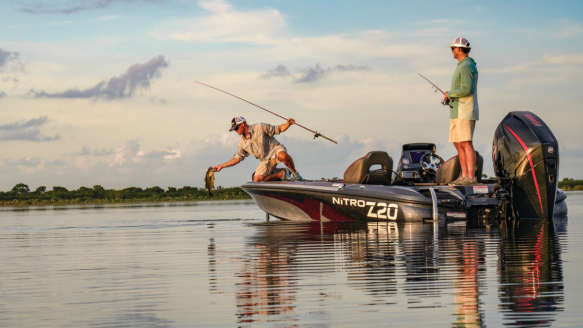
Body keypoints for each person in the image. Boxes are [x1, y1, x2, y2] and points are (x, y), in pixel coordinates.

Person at [213, 116, 303, 182]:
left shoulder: (260, 127)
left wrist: (288, 124)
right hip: (266, 160)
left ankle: (294, 173)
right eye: (234, 129)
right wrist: (221, 166)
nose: (236, 131)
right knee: (257, 181)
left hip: (276, 150)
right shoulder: (242, 143)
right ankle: (281, 174)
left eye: (236, 128)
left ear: (243, 124)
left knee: (282, 155)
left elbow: (278, 129)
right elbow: (237, 158)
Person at [443, 37, 479, 186]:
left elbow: (467, 89)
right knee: (458, 143)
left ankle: (470, 177)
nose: (451, 51)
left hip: (464, 111)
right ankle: (464, 176)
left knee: (466, 142)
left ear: (458, 49)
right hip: (457, 111)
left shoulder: (466, 66)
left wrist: (450, 94)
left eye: (452, 48)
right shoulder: (462, 65)